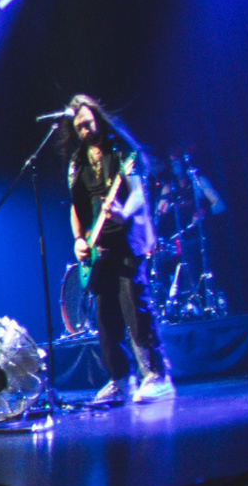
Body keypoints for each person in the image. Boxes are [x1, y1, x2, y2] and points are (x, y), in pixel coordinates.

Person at [65, 94, 172, 405]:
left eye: (88, 123)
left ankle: (156, 376)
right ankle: (120, 380)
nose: (85, 130)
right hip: (99, 247)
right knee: (105, 316)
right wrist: (78, 239)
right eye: (79, 127)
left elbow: (138, 192)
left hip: (128, 239)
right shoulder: (77, 163)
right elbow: (76, 206)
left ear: (98, 119)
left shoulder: (122, 151)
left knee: (134, 306)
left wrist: (124, 212)